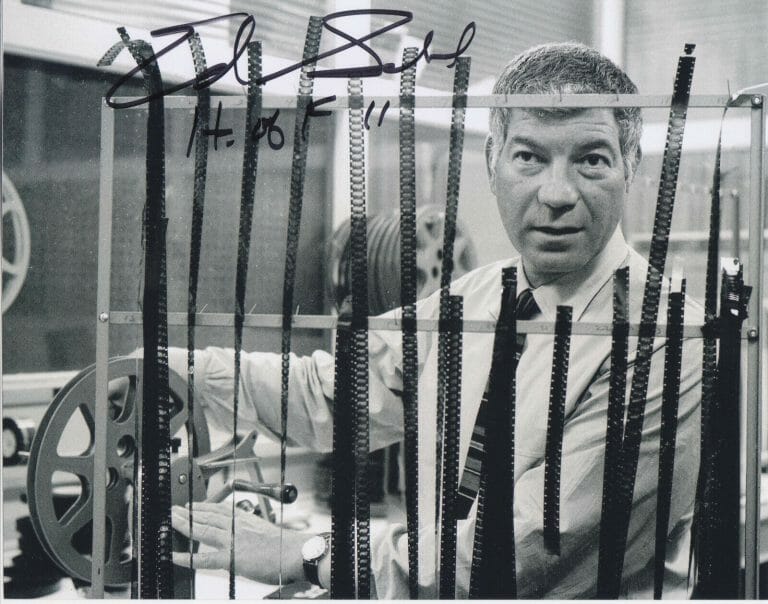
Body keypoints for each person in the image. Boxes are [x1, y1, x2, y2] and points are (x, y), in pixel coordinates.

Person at [167, 42, 703, 598]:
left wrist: (307, 552)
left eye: (591, 159)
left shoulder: (668, 342)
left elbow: (526, 550)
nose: (557, 193)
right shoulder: (470, 303)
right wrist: (177, 370)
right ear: (493, 162)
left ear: (630, 167)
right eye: (529, 157)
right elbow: (327, 393)